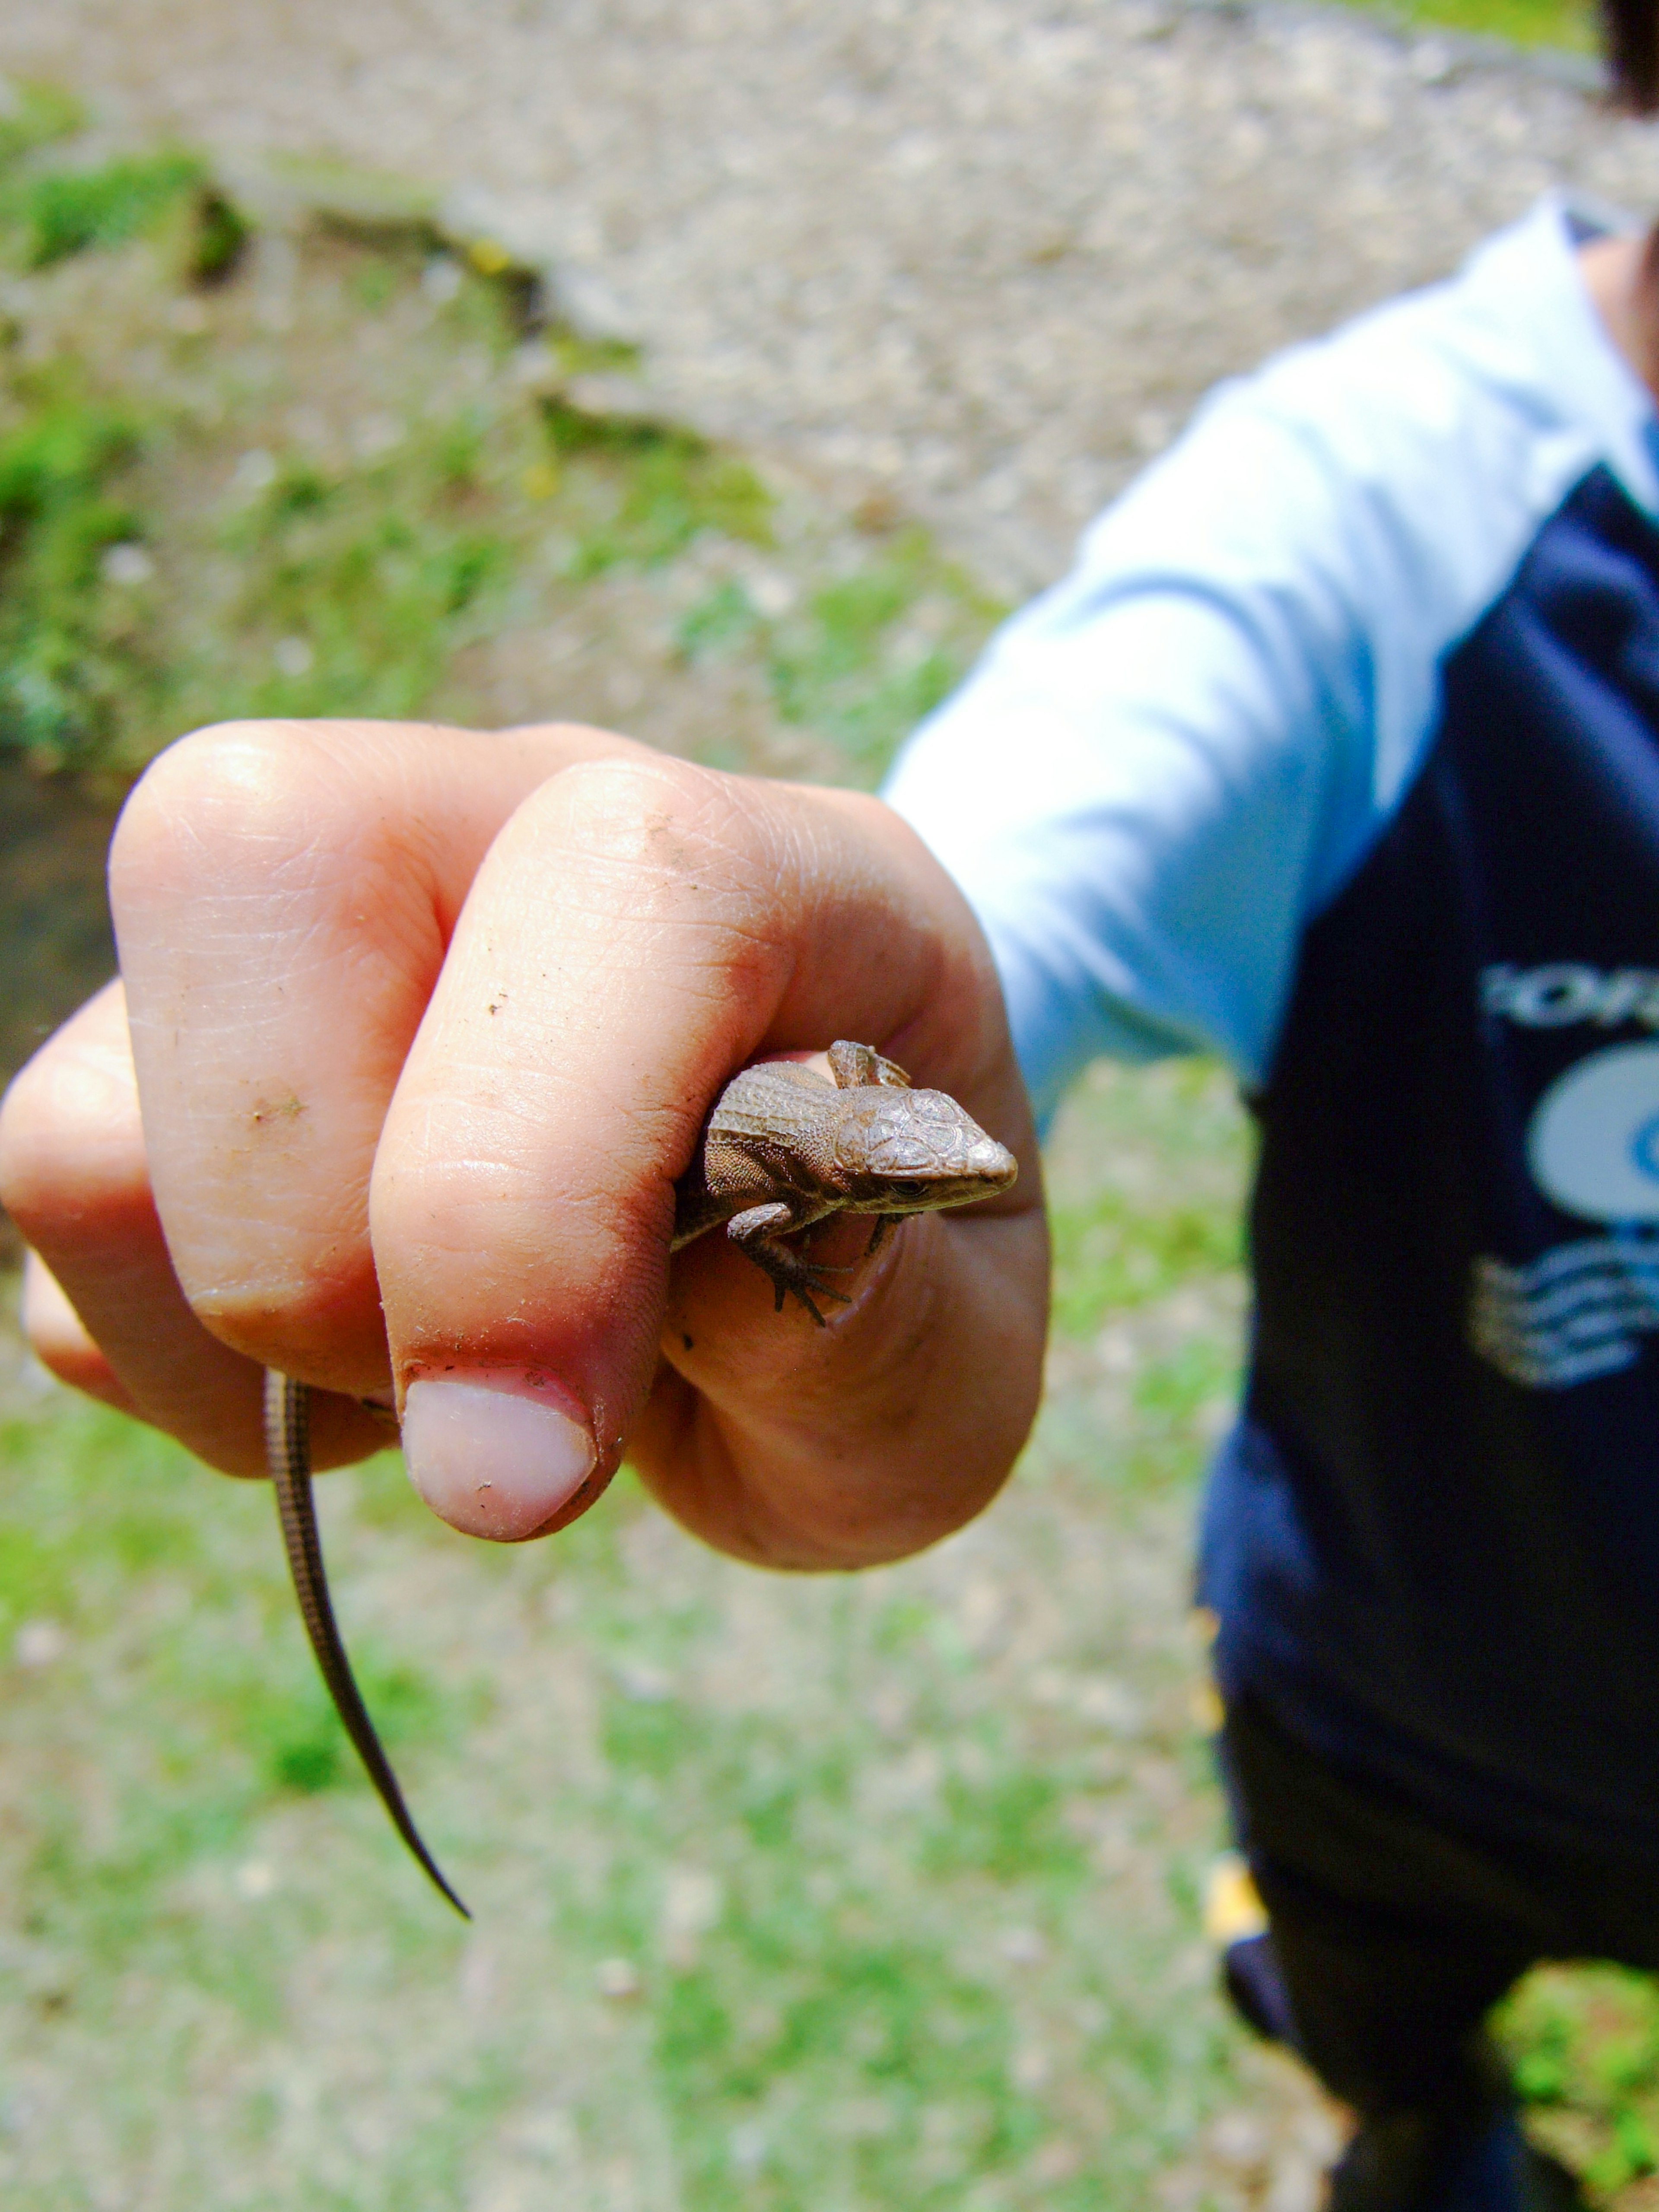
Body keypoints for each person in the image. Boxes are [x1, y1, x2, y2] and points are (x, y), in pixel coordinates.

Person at [9, 8, 1659, 2206]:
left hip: (1418, 1655)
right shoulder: (1384, 534)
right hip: (1390, 1699)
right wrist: (765, 914)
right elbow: (964, 935)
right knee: (1393, 2026)